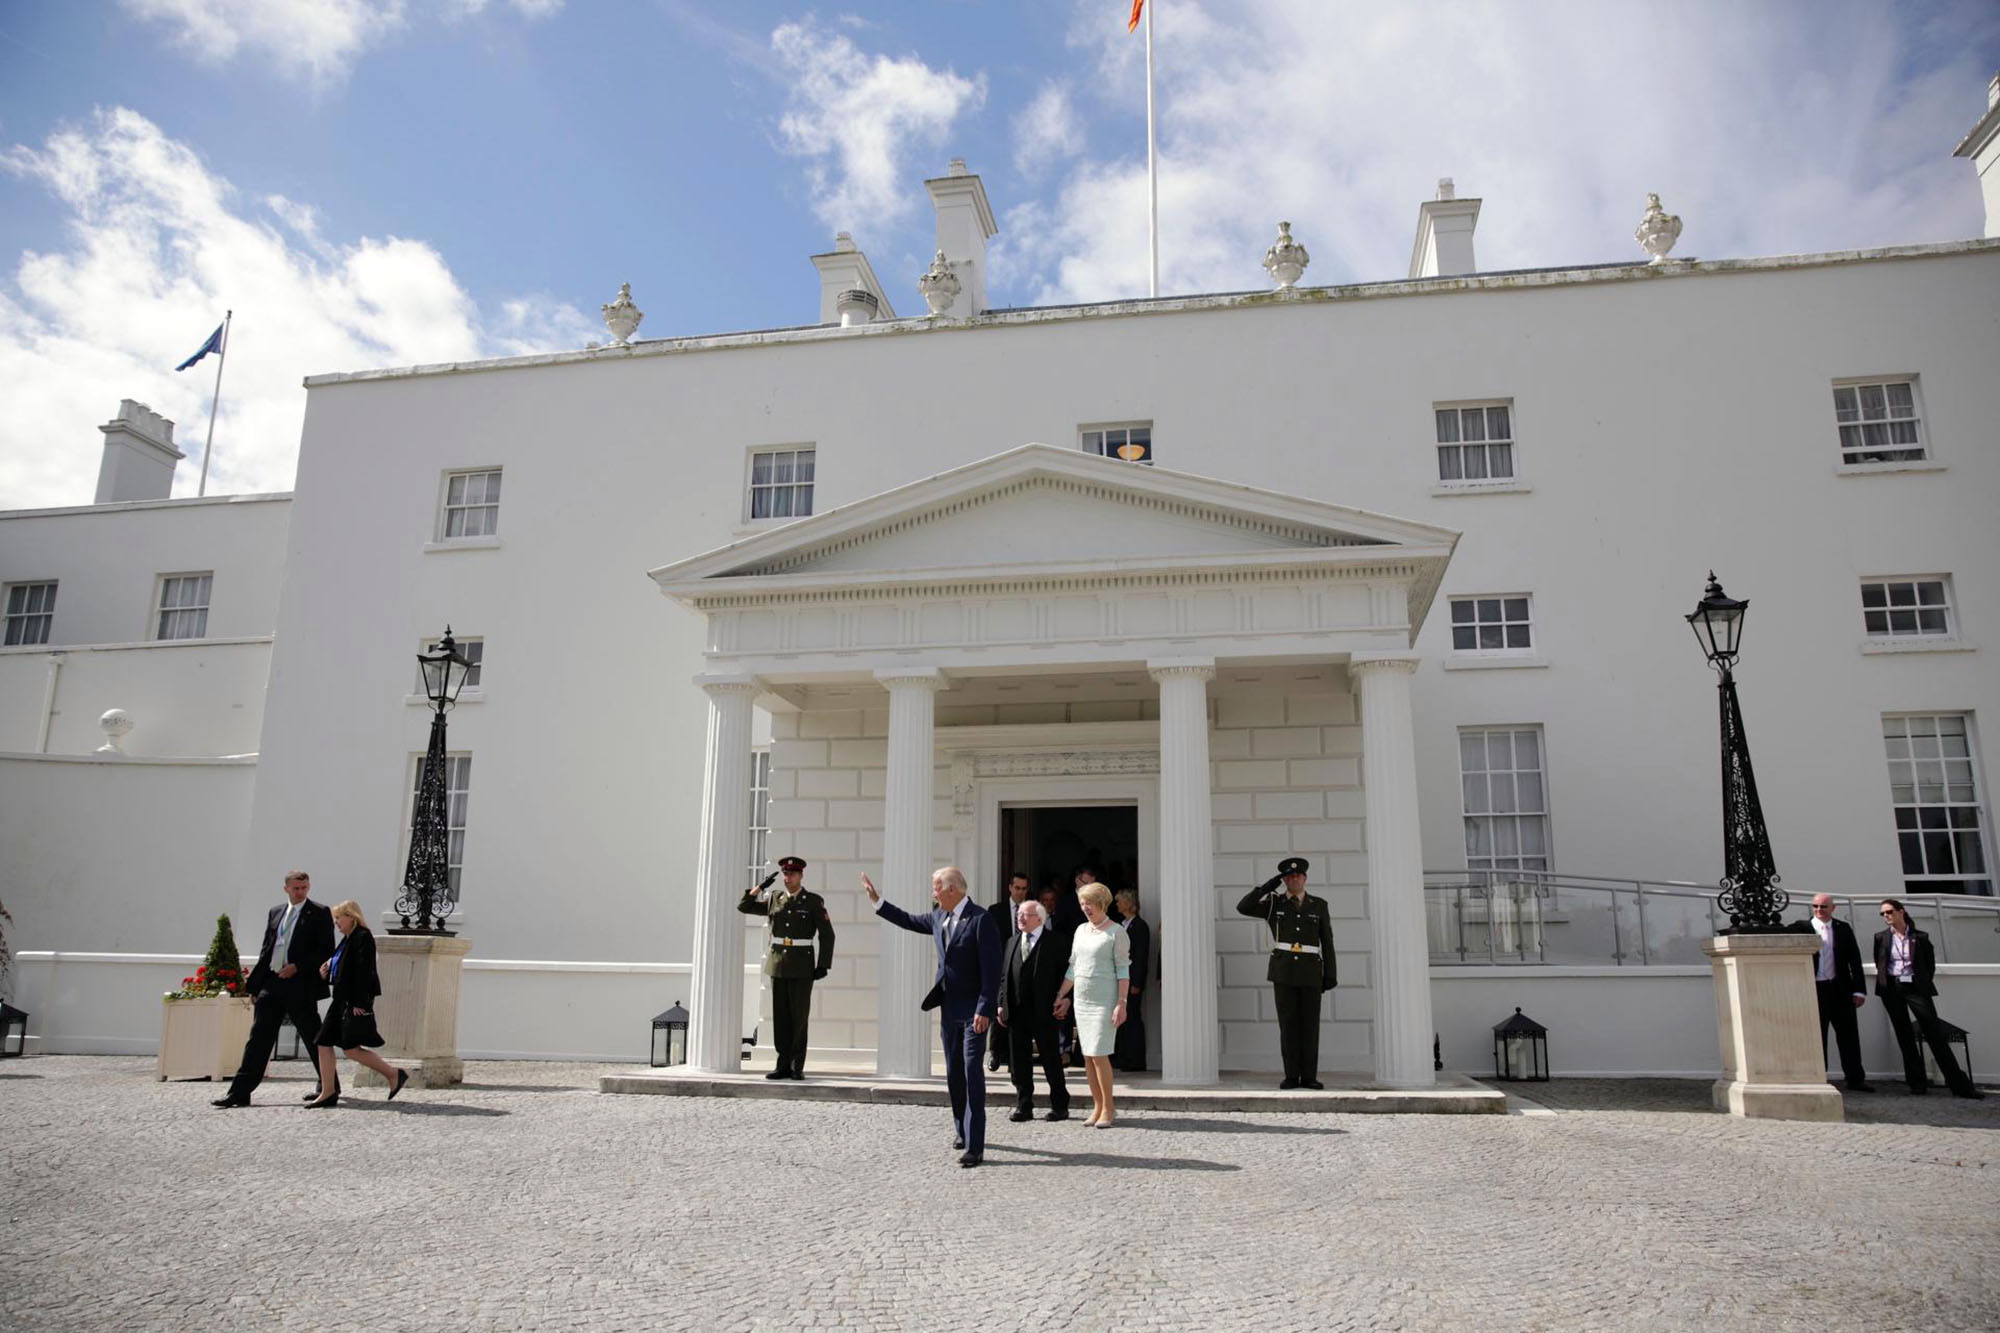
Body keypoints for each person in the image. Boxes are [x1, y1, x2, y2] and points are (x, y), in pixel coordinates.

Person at [862, 866, 1004, 1167]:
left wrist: (985, 1009)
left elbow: (992, 971)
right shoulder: (939, 916)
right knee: (953, 1072)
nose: (933, 892)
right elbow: (909, 921)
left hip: (974, 1011)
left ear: (952, 889)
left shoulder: (981, 920)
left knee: (971, 1072)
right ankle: (961, 1130)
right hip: (948, 1007)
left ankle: (975, 1147)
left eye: (936, 886)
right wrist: (878, 901)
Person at [212, 870, 335, 1109]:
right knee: (258, 1038)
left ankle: (328, 1087)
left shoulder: (320, 913)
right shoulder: (276, 912)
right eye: (296, 888)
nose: (301, 892)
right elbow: (267, 948)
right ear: (286, 888)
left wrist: (297, 967)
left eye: (305, 888)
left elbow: (325, 950)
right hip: (272, 982)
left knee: (313, 1036)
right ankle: (240, 1092)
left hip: (299, 984)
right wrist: (257, 984)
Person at [1235, 857, 1336, 1090]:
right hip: (1284, 972)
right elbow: (1243, 907)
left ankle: (1309, 1076)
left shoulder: (1319, 905)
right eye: (1289, 877)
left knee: (1310, 1026)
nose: (1294, 879)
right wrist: (1267, 887)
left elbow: (1327, 941)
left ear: (1305, 878)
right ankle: (1291, 1076)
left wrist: (1330, 973)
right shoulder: (1274, 903)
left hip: (1311, 971)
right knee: (1288, 1026)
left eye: (1298, 876)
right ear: (1284, 880)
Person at [1873, 898, 1983, 1099]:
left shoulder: (1920, 937)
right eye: (1883, 913)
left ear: (1901, 911)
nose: (1886, 916)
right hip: (1892, 988)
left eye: (1889, 912)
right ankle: (1917, 1083)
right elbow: (1880, 962)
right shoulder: (1881, 937)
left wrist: (1919, 982)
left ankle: (1960, 1086)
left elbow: (1928, 965)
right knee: (1904, 1035)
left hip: (1916, 988)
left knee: (1934, 1033)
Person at [737, 855, 835, 1080]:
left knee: (799, 1017)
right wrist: (760, 886)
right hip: (778, 965)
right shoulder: (774, 898)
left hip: (802, 966)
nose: (787, 878)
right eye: (785, 874)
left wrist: (823, 965)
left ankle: (796, 1065)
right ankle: (782, 1065)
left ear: (801, 876)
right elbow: (744, 906)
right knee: (781, 1017)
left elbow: (827, 935)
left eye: (791, 874)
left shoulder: (812, 901)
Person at [305, 901, 409, 1108]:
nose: (336, 922)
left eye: (339, 917)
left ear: (351, 916)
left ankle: (393, 1074)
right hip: (341, 1000)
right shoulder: (347, 939)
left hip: (352, 1001)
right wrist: (325, 974)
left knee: (350, 1049)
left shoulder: (363, 937)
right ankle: (327, 1091)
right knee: (324, 1043)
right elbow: (342, 971)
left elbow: (365, 972)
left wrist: (359, 1002)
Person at [1053, 883, 1130, 1127]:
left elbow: (1123, 971)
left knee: (1099, 1054)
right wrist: (1060, 994)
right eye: (1082, 903)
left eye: (1089, 903)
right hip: (1082, 1001)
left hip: (1104, 1002)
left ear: (1101, 903)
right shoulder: (1080, 931)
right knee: (1088, 1056)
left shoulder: (1117, 932)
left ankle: (1109, 1107)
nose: (1085, 908)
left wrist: (1122, 1003)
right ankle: (1097, 1107)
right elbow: (1073, 967)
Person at [1786, 894, 1872, 1091]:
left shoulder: (1843, 928)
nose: (1819, 910)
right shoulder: (1802, 927)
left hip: (1841, 989)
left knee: (1848, 1035)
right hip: (1815, 989)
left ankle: (1855, 1078)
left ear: (1833, 908)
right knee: (1817, 1035)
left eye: (1823, 906)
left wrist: (1860, 990)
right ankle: (1818, 1077)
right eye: (1815, 906)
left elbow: (1855, 960)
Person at [996, 899, 1070, 1122]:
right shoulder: (1011, 941)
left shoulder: (1056, 942)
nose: (1020, 917)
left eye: (1025, 914)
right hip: (1016, 1011)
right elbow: (1003, 977)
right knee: (1018, 1063)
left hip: (1045, 1011)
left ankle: (1059, 1105)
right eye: (1019, 913)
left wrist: (1066, 1000)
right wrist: (1001, 1003)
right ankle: (1023, 1104)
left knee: (1050, 1059)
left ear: (1039, 918)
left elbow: (1069, 975)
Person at [987, 871, 1032, 1073]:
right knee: (999, 1009)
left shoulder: (1032, 910)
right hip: (1000, 966)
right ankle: (996, 1053)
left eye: (1024, 889)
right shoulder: (995, 911)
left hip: (1023, 967)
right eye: (1017, 888)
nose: (1020, 892)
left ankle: (1016, 1057)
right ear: (1010, 888)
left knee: (1020, 1012)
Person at [1111, 888, 1151, 1073]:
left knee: (1133, 1018)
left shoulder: (1140, 926)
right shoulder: (1123, 924)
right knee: (1122, 1019)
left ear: (1127, 903)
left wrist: (1137, 983)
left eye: (1119, 901)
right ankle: (1123, 1056)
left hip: (1131, 981)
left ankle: (1135, 1060)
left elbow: (1141, 956)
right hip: (1120, 979)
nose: (1117, 904)